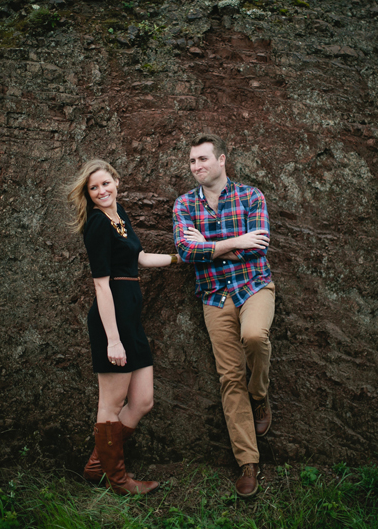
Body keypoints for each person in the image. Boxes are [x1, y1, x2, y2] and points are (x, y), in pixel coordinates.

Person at [68, 159, 180, 495]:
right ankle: (119, 481)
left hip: (131, 320)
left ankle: (95, 465)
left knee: (143, 401)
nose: (101, 191)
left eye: (105, 184)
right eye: (94, 188)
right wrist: (113, 341)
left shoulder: (120, 217)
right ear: (88, 194)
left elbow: (141, 258)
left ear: (117, 182)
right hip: (111, 323)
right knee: (111, 404)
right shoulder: (98, 225)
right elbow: (101, 286)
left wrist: (182, 257)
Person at [172, 134, 275, 498]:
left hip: (254, 288)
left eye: (202, 159)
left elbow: (258, 248)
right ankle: (248, 462)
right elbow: (186, 251)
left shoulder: (251, 196)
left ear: (222, 160)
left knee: (254, 336)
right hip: (214, 297)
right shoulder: (184, 204)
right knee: (229, 377)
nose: (196, 167)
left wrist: (210, 246)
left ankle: (259, 393)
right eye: (192, 162)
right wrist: (234, 243)